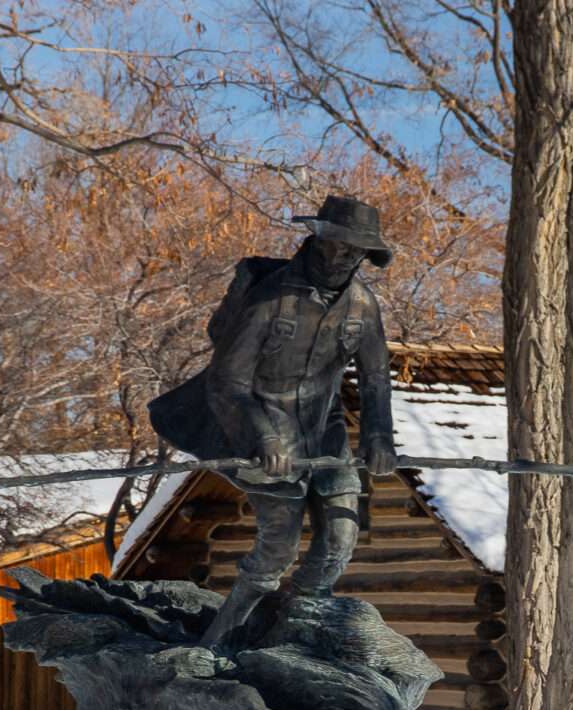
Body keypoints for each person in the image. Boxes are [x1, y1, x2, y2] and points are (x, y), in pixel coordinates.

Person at [148, 195, 398, 649]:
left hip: (326, 434)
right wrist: (262, 434)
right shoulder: (272, 297)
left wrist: (380, 435)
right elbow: (227, 381)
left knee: (341, 538)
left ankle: (289, 631)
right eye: (335, 246)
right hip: (264, 429)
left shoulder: (363, 306)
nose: (341, 258)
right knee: (278, 547)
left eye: (353, 251)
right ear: (316, 239)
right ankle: (216, 643)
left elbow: (376, 379)